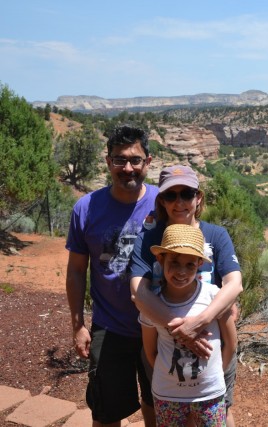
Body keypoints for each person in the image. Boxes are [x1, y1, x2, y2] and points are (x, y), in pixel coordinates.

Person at [130, 165, 243, 426]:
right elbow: (139, 291)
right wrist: (181, 329)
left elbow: (234, 284)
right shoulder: (150, 238)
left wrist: (199, 323)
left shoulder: (216, 235)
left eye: (187, 194)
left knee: (222, 408)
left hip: (214, 345)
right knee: (159, 406)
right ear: (162, 201)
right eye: (171, 196)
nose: (179, 202)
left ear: (198, 198)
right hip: (165, 346)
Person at [65, 124, 158, 427]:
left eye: (135, 160)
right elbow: (77, 270)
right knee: (106, 413)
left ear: (148, 161)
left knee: (156, 404)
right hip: (109, 327)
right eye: (119, 159)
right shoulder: (86, 208)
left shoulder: (164, 204)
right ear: (108, 162)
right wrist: (78, 325)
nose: (127, 168)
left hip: (158, 325)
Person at [141, 224, 237, 426]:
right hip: (167, 395)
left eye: (190, 265)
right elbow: (150, 352)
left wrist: (215, 375)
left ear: (199, 264)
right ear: (161, 259)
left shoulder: (213, 296)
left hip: (210, 394)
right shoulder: (152, 305)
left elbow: (231, 344)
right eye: (174, 262)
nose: (181, 272)